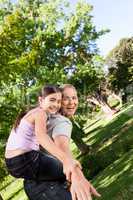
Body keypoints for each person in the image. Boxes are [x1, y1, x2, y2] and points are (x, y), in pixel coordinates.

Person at [24, 84, 101, 200]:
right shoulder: (61, 122)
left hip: (32, 186)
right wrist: (78, 178)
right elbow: (63, 148)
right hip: (48, 186)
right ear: (59, 102)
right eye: (66, 98)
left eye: (74, 97)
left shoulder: (47, 120)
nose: (72, 102)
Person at [5, 85, 81, 184]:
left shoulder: (33, 112)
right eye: (52, 100)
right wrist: (67, 160)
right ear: (41, 100)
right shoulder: (41, 113)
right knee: (69, 172)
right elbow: (42, 137)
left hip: (12, 163)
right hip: (24, 160)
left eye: (58, 101)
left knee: (62, 172)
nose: (56, 104)